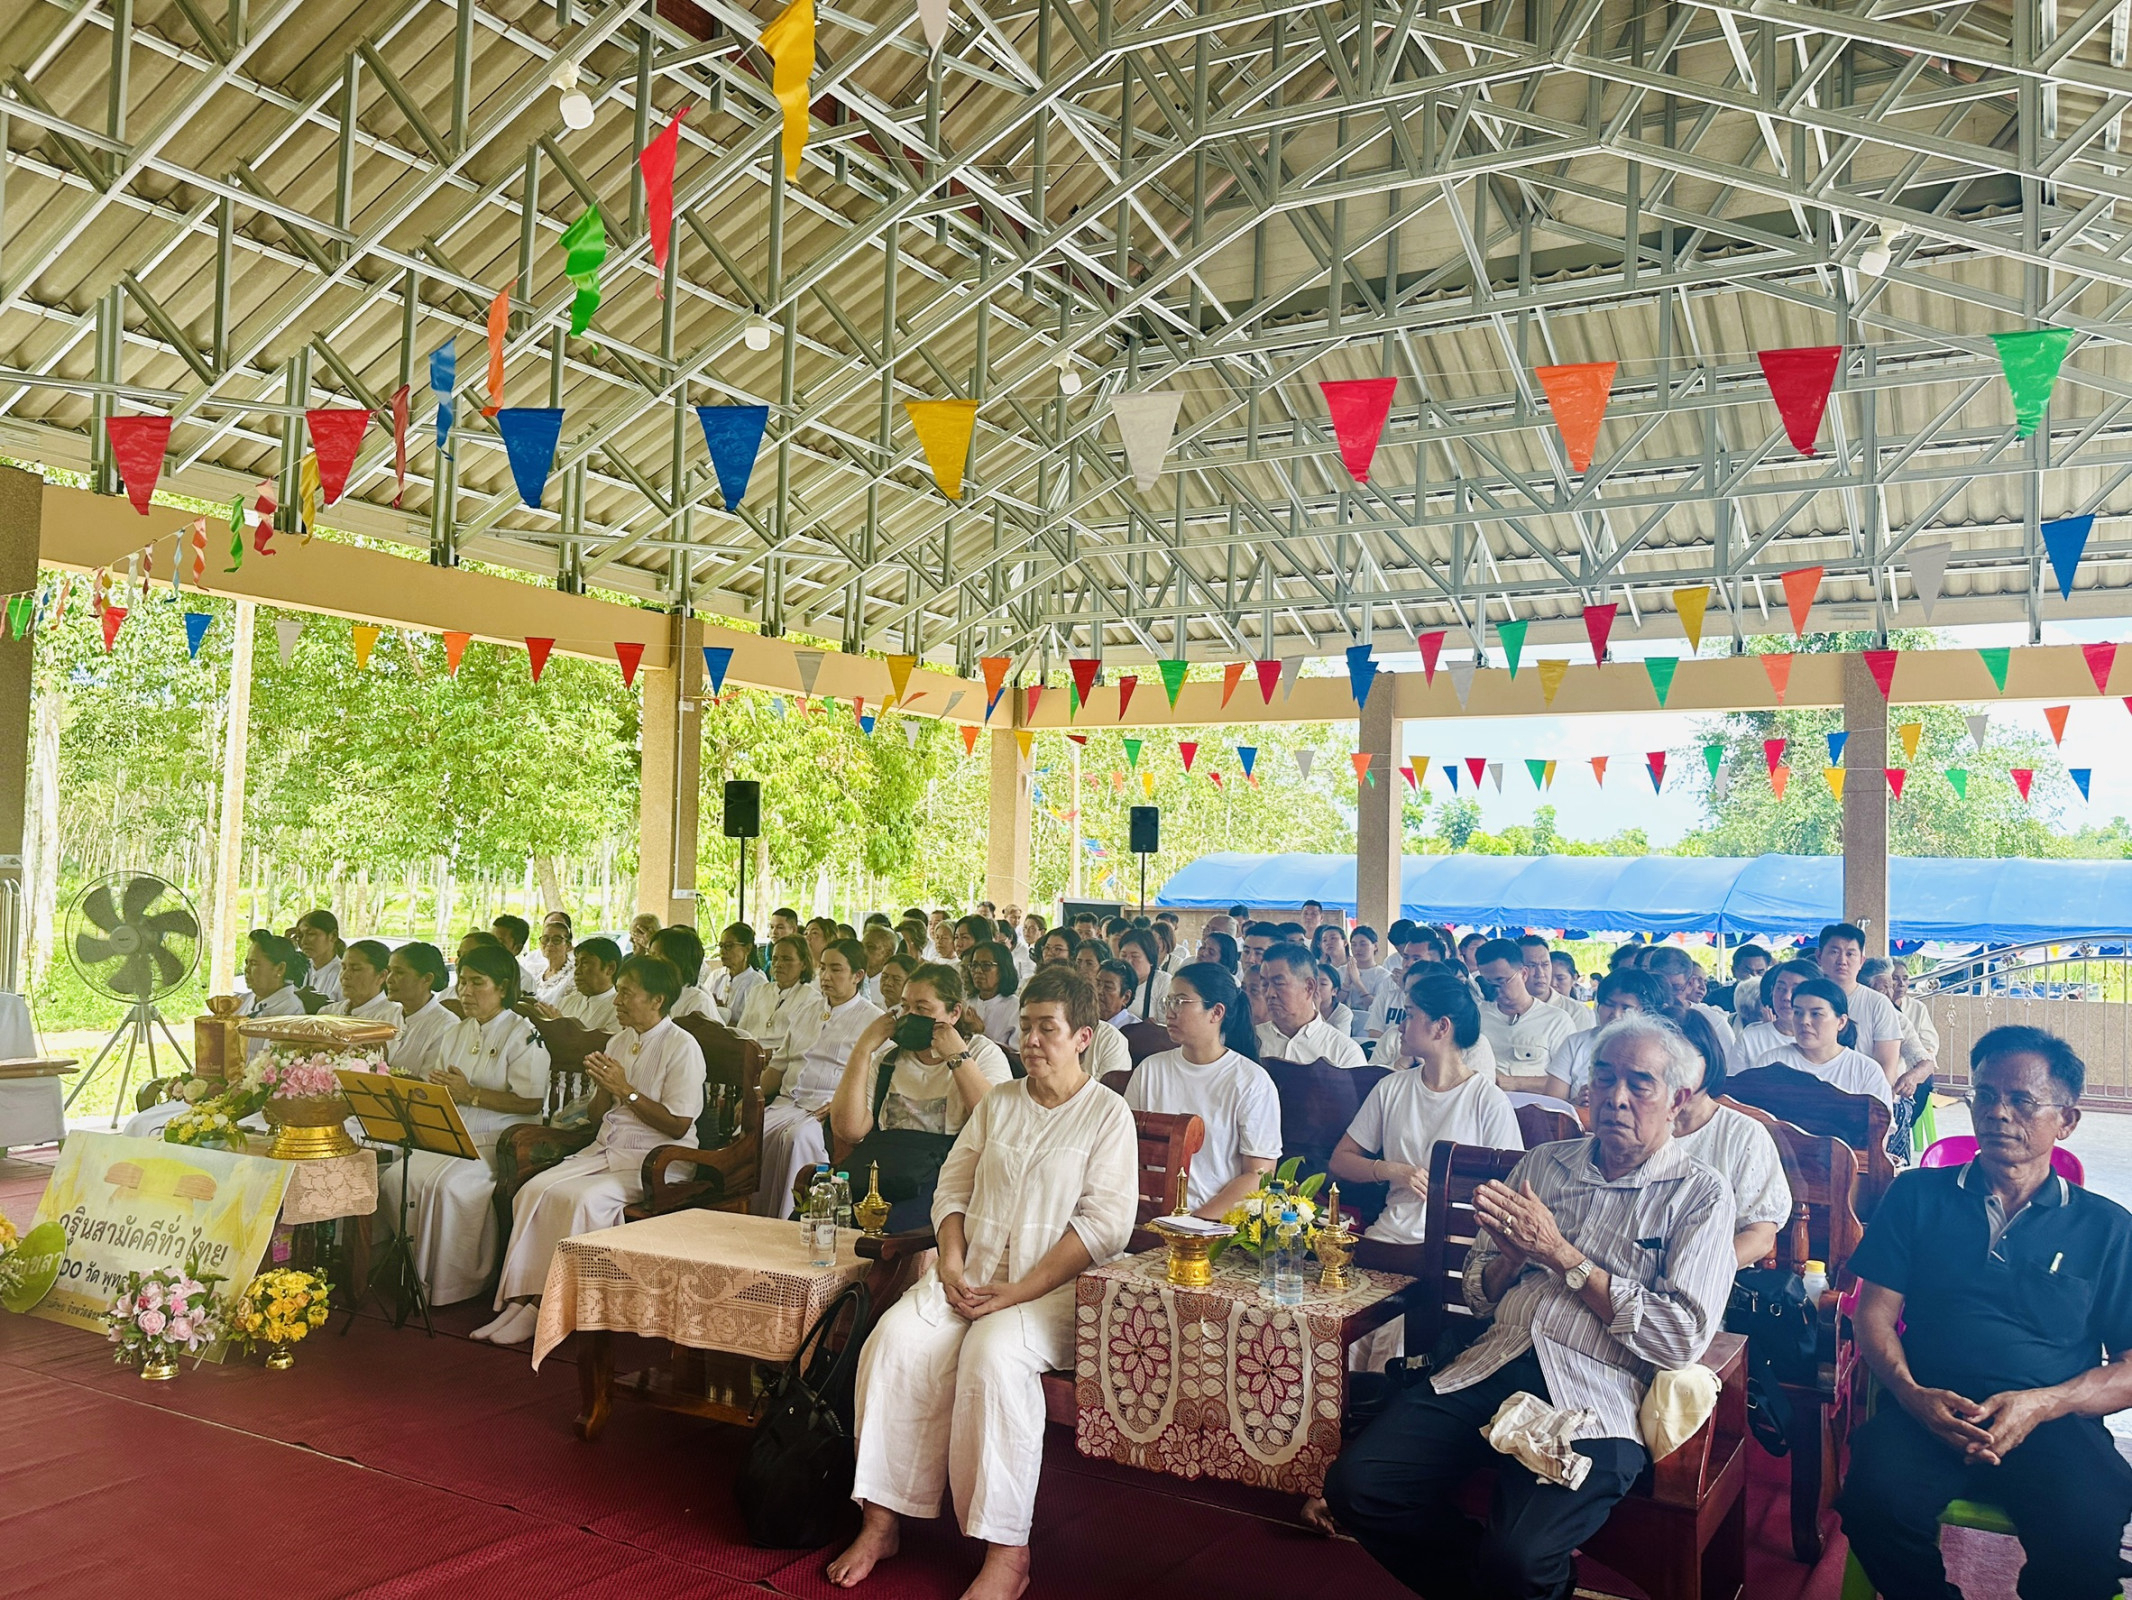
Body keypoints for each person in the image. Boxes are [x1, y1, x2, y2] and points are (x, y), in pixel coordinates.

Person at [1320, 1013, 1738, 1599]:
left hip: (1596, 1394)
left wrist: (1564, 1256)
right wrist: (1511, 1261)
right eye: (1605, 1076)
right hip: (1492, 1363)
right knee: (1358, 1487)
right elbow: (1477, 1294)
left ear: (1678, 1100)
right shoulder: (1543, 1165)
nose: (1616, 1098)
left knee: (1517, 1559)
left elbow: (1680, 1338)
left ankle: (1514, 1585)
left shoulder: (1701, 1194)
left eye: (1640, 1083)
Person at [828, 968, 1137, 1600]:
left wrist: (1015, 1293)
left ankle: (1006, 1551)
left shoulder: (1106, 1113)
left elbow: (1104, 1226)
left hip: (1052, 1293)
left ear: (1082, 1037)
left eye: (1046, 1029)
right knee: (895, 1341)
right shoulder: (999, 1103)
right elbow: (953, 1188)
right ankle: (881, 1520)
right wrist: (949, 1262)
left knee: (993, 1356)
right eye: (1024, 1026)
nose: (1030, 1040)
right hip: (970, 1274)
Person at [1837, 1025, 2132, 1600]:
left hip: (2052, 1422)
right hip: (1932, 1411)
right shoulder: (1917, 1196)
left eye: (2022, 1100)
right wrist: (1910, 1393)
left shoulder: (2108, 1228)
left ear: (2066, 1121)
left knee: (2089, 1528)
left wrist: (2044, 1403)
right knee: (1874, 1501)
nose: (1998, 1113)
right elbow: (1872, 1315)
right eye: (1986, 1095)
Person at [475, 954, 706, 1346]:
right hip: (608, 1149)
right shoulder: (620, 1039)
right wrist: (603, 1088)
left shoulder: (682, 1046)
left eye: (628, 993)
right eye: (618, 993)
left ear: (657, 1000)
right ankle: (524, 1299)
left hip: (660, 1159)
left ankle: (551, 1307)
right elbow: (600, 1115)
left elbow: (678, 1125)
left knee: (580, 1200)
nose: (617, 1001)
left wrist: (625, 1089)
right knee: (534, 1189)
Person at [396, 944, 548, 1306]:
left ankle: (454, 1284)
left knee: (449, 1186)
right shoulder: (457, 1032)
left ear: (503, 986)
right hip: (455, 1131)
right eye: (462, 982)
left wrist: (471, 1094)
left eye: (477, 982)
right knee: (397, 1178)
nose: (465, 992)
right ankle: (412, 1275)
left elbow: (532, 1101)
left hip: (503, 1139)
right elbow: (447, 1091)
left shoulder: (522, 1034)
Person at [1331, 969, 1521, 1247]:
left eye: (1409, 1015)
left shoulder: (1487, 1100)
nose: (1400, 1027)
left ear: (1441, 1027)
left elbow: (1509, 1189)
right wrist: (1392, 1170)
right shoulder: (1391, 1087)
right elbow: (1341, 1160)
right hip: (1390, 1236)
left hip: (1459, 1244)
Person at [829, 963, 1013, 1223]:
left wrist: (957, 1057)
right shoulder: (888, 1059)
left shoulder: (982, 1053)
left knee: (894, 1227)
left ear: (954, 1013)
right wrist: (863, 1049)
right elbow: (849, 1129)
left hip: (945, 1179)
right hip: (884, 1172)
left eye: (922, 1009)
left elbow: (994, 1123)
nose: (909, 1015)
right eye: (905, 1007)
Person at [1125, 963, 1278, 1216]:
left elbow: (1258, 1174)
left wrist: (1194, 1225)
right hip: (1149, 1216)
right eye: (1168, 1001)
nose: (1169, 1013)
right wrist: (1145, 1209)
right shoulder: (1150, 1070)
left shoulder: (1251, 1082)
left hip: (1214, 1224)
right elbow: (1128, 1149)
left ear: (1216, 1012)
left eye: (1180, 1002)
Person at [754, 938, 885, 1217]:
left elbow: (875, 1078)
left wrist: (844, 1106)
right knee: (754, 1129)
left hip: (826, 1110)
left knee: (798, 1137)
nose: (826, 976)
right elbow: (778, 1066)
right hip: (788, 1102)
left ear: (858, 976)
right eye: (822, 968)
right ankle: (754, 1216)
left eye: (836, 969)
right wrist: (753, 1098)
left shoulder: (873, 1021)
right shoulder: (806, 1010)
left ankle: (794, 1220)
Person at [1671, 1009, 1792, 1267]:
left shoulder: (1742, 1133)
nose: (1673, 1073)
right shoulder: (1634, 1126)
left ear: (1710, 1060)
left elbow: (1760, 1235)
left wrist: (1699, 1274)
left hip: (1716, 1275)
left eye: (1685, 1059)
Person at [1741, 976, 1893, 1106]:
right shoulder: (1771, 1062)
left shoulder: (1865, 1070)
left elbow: (1879, 1133)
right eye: (1798, 1013)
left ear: (1841, 1022)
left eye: (1816, 1014)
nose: (1804, 1021)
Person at [1543, 968, 1669, 1103]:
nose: (1615, 1014)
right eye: (1609, 1005)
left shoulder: (1661, 1051)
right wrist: (1576, 1103)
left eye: (1626, 1008)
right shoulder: (1575, 1043)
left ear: (1646, 1012)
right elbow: (1551, 1105)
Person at [1474, 938, 1577, 1094]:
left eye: (1501, 981)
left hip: (1537, 1111)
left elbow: (1568, 1080)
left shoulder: (1556, 1021)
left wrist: (1513, 1083)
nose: (1496, 990)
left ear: (1523, 974)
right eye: (1488, 983)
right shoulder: (1476, 1017)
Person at [1815, 922, 1904, 1084]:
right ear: (1819, 956)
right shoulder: (1805, 1000)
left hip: (1862, 1095)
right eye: (1834, 952)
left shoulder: (1878, 1004)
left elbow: (1887, 1066)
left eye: (1850, 954)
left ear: (1862, 961)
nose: (1842, 961)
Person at [736, 935, 830, 1088]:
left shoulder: (811, 999)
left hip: (780, 1068)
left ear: (804, 964)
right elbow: (742, 1030)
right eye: (775, 959)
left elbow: (802, 1046)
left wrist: (771, 1053)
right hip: (747, 1061)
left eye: (787, 959)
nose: (779, 964)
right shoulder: (759, 991)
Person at [1254, 943, 1366, 1068]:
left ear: (1309, 987)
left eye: (1279, 983)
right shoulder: (1251, 1041)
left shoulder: (1343, 1052)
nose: (1270, 993)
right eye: (1264, 984)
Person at [1645, 946, 1746, 1080]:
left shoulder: (1713, 1021)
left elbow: (1726, 1071)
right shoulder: (1637, 1015)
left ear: (1690, 983)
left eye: (1676, 988)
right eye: (1660, 986)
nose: (1668, 995)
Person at [385, 942, 457, 1077]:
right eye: (389, 971)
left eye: (399, 972)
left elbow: (428, 1087)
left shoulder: (447, 1026)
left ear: (427, 979)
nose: (389, 979)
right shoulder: (385, 1017)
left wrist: (381, 1064)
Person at [1740, 958, 1815, 1063]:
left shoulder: (1828, 1040)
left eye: (1796, 990)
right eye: (1780, 988)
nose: (1787, 997)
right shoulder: (1750, 1039)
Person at [541, 936, 621, 1033]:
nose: (577, 971)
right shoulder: (567, 1001)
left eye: (585, 963)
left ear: (610, 968)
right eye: (576, 964)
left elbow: (605, 1046)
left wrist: (564, 1028)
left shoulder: (620, 1010)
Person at [1518, 935, 1592, 1034]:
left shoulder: (1576, 1012)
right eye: (1532, 965)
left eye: (1545, 965)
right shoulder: (1504, 1009)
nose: (1540, 973)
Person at [324, 939, 400, 1025]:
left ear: (381, 976)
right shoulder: (327, 1014)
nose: (345, 975)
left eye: (356, 969)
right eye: (344, 968)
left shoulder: (394, 1019)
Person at [652, 926, 717, 1021]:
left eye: (656, 956)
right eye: (649, 955)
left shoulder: (698, 1002)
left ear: (678, 962)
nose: (648, 962)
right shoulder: (652, 994)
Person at [965, 942, 1021, 1049]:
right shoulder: (967, 1002)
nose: (978, 971)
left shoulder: (1015, 1007)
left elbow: (1016, 1056)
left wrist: (980, 1034)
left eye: (986, 965)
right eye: (974, 965)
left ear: (1003, 969)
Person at [711, 922, 765, 1020]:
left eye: (728, 946)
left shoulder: (759, 985)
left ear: (747, 949)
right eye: (721, 946)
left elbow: (755, 1026)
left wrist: (723, 1016)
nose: (722, 951)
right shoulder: (715, 977)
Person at [294, 910, 346, 1005]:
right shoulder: (305, 969)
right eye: (300, 936)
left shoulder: (343, 975)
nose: (304, 941)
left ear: (333, 936)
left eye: (311, 934)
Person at [1707, 944, 1771, 1014]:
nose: (1754, 976)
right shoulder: (1716, 998)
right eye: (1747, 971)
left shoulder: (1774, 998)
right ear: (1734, 971)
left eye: (1760, 972)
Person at [529, 920, 576, 1009]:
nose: (549, 944)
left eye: (556, 940)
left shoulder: (573, 977)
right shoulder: (536, 974)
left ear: (568, 945)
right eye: (545, 939)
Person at [493, 914, 540, 990]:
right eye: (490, 939)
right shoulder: (477, 969)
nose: (491, 946)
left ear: (517, 949)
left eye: (500, 943)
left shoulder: (524, 980)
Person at [861, 924, 900, 1005]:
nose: (863, 951)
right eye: (862, 946)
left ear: (888, 954)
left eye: (870, 947)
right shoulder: (853, 979)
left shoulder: (893, 987)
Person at [1095, 959, 1139, 1028]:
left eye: (1108, 987)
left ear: (1126, 997)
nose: (1099, 991)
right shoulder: (1083, 1020)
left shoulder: (1137, 1030)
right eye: (1097, 984)